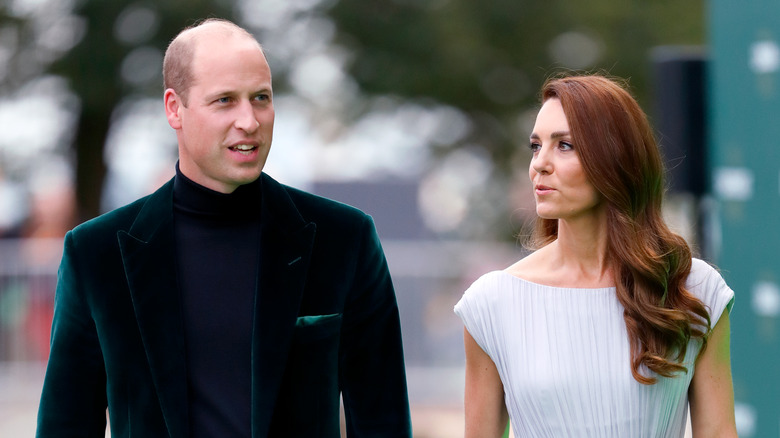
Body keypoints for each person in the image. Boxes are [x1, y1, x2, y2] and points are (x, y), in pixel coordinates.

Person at [36, 18, 412, 438]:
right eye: (225, 101)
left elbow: (384, 423)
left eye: (261, 98)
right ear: (174, 109)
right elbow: (64, 426)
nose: (249, 121)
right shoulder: (96, 253)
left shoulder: (345, 239)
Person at [454, 74, 738, 437]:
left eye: (565, 145)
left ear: (616, 158)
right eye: (536, 145)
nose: (539, 163)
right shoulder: (491, 303)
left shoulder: (694, 289)